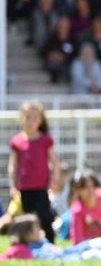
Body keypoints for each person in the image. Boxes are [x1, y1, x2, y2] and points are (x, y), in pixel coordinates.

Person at [8, 101, 60, 243]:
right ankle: (30, 245)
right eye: (28, 117)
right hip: (25, 187)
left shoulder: (45, 140)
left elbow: (54, 162)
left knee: (44, 217)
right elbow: (13, 165)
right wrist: (13, 185)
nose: (31, 121)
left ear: (41, 120)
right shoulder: (17, 141)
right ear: (21, 118)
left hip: (41, 187)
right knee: (27, 219)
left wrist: (55, 179)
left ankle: (50, 244)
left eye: (35, 117)